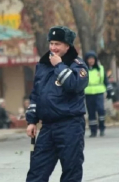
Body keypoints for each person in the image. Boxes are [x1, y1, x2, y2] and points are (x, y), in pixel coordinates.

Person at [25, 26, 88, 182]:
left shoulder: (78, 66)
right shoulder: (43, 65)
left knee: (71, 171)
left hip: (70, 126)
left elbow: (74, 85)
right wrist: (32, 121)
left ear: (67, 46)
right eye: (51, 43)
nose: (53, 47)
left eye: (58, 44)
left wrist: (59, 65)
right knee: (36, 172)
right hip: (47, 127)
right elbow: (36, 94)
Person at [84, 51, 110, 137]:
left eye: (92, 59)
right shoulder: (84, 69)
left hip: (99, 92)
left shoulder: (100, 68)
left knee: (101, 110)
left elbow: (105, 80)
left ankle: (102, 128)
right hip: (88, 93)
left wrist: (109, 90)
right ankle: (93, 131)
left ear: (95, 59)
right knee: (91, 112)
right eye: (89, 59)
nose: (91, 61)